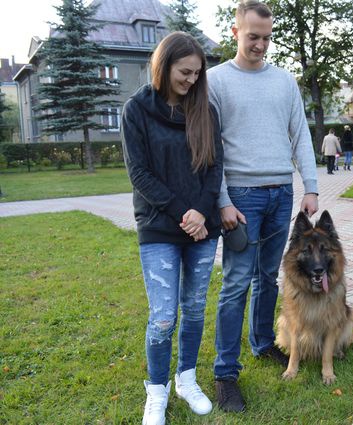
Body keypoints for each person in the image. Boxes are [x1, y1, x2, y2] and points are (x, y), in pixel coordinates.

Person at [206, 0, 319, 413]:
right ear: (235, 32)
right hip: (241, 197)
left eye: (267, 38)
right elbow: (210, 148)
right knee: (237, 283)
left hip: (280, 194)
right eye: (253, 37)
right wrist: (221, 201)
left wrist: (310, 187)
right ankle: (225, 373)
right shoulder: (215, 81)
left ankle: (261, 343)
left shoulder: (285, 81)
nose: (260, 45)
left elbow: (300, 135)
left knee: (269, 277)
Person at [121, 32, 224, 424]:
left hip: (202, 227)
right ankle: (157, 390)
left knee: (195, 309)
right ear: (163, 66)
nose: (192, 81)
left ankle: (186, 379)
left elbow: (214, 168)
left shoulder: (205, 111)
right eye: (185, 72)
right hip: (159, 227)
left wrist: (201, 212)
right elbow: (139, 174)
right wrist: (186, 213)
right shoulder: (137, 110)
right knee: (164, 316)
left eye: (198, 73)